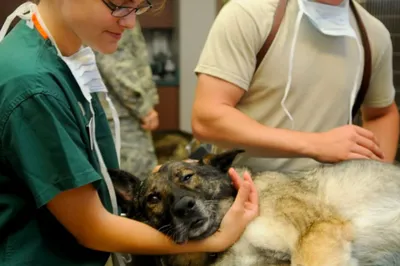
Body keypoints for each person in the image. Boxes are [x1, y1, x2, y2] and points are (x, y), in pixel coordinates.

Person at [0, 1, 259, 266]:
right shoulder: (33, 87)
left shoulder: (64, 58)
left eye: (137, 9)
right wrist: (218, 238)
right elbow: (91, 228)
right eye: (119, 5)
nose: (130, 22)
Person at [192, 0, 399, 173]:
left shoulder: (373, 35)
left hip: (332, 200)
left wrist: (374, 179)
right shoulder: (250, 14)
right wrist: (315, 144)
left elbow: (382, 114)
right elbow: (207, 118)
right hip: (246, 198)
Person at [95, 19, 159, 180]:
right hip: (122, 116)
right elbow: (116, 67)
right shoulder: (117, 11)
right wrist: (143, 109)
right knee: (135, 183)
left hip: (118, 113)